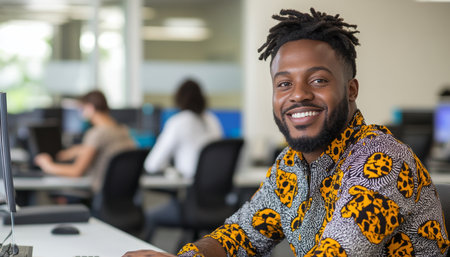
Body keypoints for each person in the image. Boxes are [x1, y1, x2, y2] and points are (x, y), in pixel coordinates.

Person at [123, 8, 449, 257]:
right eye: (284, 84)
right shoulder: (290, 165)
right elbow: (238, 235)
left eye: (318, 80)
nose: (298, 94)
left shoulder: (382, 162)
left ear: (351, 90)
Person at [34, 90, 136, 195]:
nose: (81, 112)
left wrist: (48, 165)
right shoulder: (123, 130)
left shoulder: (96, 133)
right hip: (121, 196)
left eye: (81, 108)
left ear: (90, 107)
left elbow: (76, 172)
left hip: (99, 195)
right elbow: (109, 150)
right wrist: (80, 150)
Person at [144, 79, 223, 179]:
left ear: (178, 99)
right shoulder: (212, 120)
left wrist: (170, 170)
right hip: (217, 185)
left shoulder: (178, 122)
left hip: (189, 186)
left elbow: (152, 165)